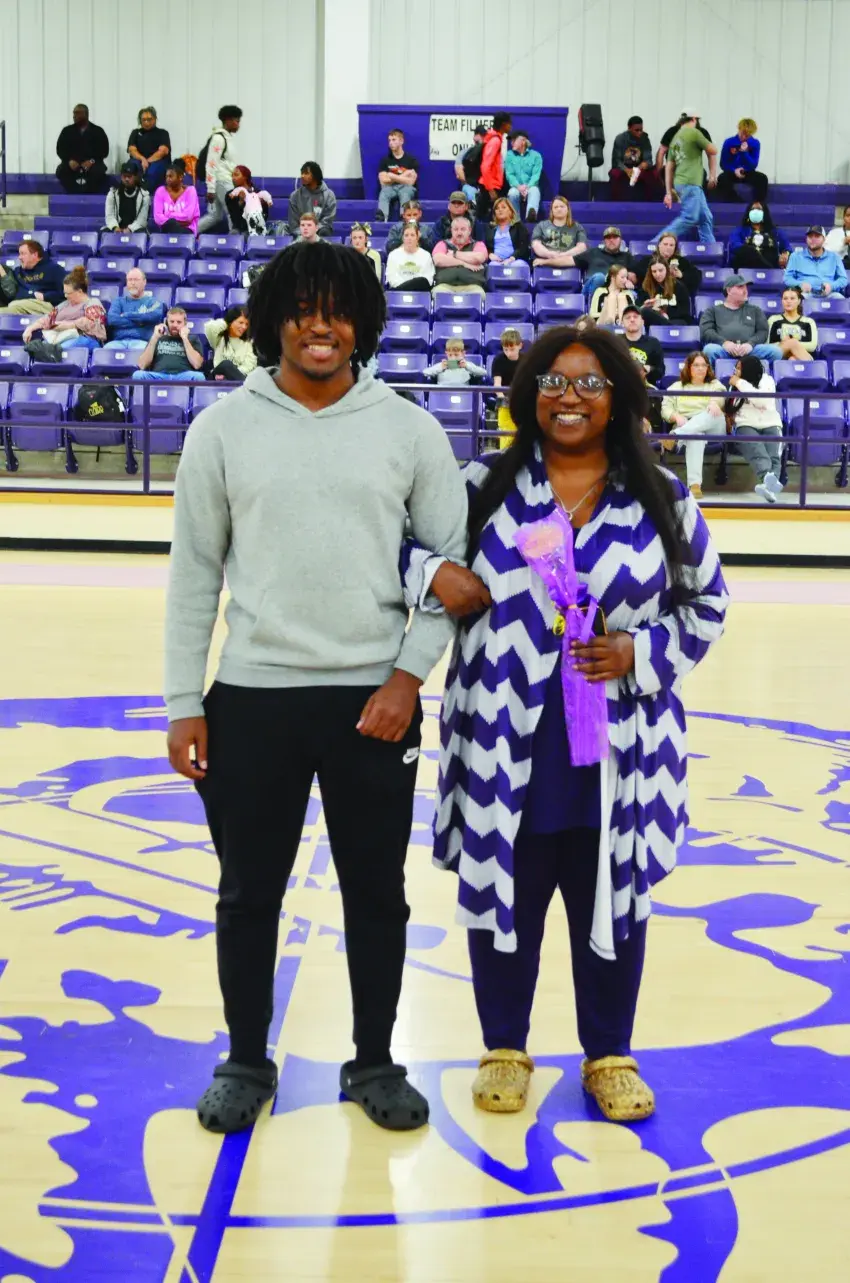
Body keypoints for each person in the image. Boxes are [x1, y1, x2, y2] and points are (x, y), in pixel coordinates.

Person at [163, 239, 468, 1135]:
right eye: (302, 310)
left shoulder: (410, 430)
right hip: (251, 699)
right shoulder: (222, 429)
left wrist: (408, 676)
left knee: (376, 893)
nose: (319, 326)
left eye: (337, 311)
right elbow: (194, 574)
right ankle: (245, 1057)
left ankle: (373, 1059)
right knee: (246, 893)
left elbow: (453, 567)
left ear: (362, 323)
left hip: (373, 701)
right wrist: (184, 700)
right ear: (273, 322)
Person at [402, 325, 727, 1120]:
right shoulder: (481, 485)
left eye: (588, 383)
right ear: (529, 395)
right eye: (551, 381)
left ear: (617, 397)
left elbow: (707, 604)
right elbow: (402, 550)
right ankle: (503, 1046)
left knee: (611, 897)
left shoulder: (661, 496)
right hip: (503, 735)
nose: (568, 396)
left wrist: (638, 650)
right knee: (502, 893)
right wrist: (437, 573)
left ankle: (608, 1052)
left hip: (621, 747)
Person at [660, 351, 727, 499]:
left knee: (713, 414)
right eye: (696, 365)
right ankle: (695, 485)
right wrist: (676, 416)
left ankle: (675, 436)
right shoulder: (676, 387)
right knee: (696, 435)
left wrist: (715, 403)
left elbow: (721, 397)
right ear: (688, 367)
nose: (701, 368)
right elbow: (665, 409)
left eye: (704, 365)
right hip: (688, 426)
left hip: (712, 426)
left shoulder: (714, 385)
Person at [728, 354, 785, 503]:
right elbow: (730, 405)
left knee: (774, 456)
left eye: (739, 368)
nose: (735, 371)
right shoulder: (735, 384)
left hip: (771, 422)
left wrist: (739, 382)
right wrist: (737, 383)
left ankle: (768, 488)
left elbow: (761, 400)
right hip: (746, 423)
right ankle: (768, 481)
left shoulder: (767, 380)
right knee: (758, 451)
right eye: (736, 368)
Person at [659, 113, 718, 245]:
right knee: (689, 217)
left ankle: (710, 248)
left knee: (705, 217)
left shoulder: (675, 138)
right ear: (694, 119)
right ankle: (656, 243)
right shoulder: (694, 133)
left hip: (682, 183)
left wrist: (668, 192)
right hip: (691, 182)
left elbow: (668, 167)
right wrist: (712, 176)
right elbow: (713, 151)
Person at [699, 275, 782, 365]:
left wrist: (750, 344)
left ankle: (759, 372)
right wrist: (724, 343)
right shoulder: (712, 311)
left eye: (746, 287)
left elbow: (763, 332)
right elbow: (706, 331)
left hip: (750, 351)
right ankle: (714, 374)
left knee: (776, 352)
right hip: (723, 350)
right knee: (709, 350)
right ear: (729, 290)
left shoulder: (755, 310)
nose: (745, 291)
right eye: (740, 287)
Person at [23, 266, 106, 351]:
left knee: (60, 349)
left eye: (68, 293)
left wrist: (71, 325)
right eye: (65, 293)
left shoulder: (92, 303)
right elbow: (47, 319)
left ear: (80, 291)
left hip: (85, 338)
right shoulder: (64, 305)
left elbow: (95, 323)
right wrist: (30, 328)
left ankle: (51, 351)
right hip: (61, 337)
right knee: (42, 347)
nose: (66, 296)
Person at [197, 105, 243, 234]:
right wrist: (211, 188)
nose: (238, 124)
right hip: (222, 181)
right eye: (236, 121)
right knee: (233, 212)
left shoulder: (226, 138)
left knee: (214, 216)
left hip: (221, 182)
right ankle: (234, 242)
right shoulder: (218, 138)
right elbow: (211, 163)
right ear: (227, 120)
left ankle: (188, 234)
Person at [132, 307, 206, 382]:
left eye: (179, 322)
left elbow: (197, 365)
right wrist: (154, 337)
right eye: (172, 321)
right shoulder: (158, 338)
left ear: (185, 324)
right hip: (159, 376)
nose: (175, 325)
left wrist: (185, 339)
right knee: (138, 375)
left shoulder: (192, 338)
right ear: (166, 323)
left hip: (183, 376)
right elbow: (142, 365)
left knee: (199, 377)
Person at [573, 227, 637, 308]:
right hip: (592, 288)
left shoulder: (627, 256)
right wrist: (557, 257)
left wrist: (626, 279)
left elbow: (633, 278)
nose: (611, 240)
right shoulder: (594, 252)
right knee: (599, 277)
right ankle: (593, 309)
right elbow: (570, 260)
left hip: (617, 289)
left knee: (632, 294)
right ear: (604, 241)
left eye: (615, 237)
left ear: (620, 240)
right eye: (608, 237)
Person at [105, 268, 166, 349]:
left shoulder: (154, 302)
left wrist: (126, 315)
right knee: (106, 350)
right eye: (130, 280)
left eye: (136, 280)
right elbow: (112, 319)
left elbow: (154, 316)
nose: (133, 283)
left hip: (143, 342)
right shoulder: (118, 301)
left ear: (144, 282)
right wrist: (141, 322)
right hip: (118, 342)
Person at [0, 239, 66, 315]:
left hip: (45, 305)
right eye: (19, 254)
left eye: (23, 254)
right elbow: (10, 291)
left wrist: (45, 296)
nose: (19, 257)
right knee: (11, 307)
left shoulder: (54, 269)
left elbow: (66, 293)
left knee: (14, 305)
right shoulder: (18, 271)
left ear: (34, 255)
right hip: (21, 304)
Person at [55, 104, 109, 194]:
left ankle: (90, 195)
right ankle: (72, 195)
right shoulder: (67, 131)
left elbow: (104, 150)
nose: (74, 116)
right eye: (74, 113)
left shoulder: (98, 131)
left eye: (77, 113)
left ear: (86, 114)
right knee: (62, 171)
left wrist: (92, 161)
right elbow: (60, 149)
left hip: (93, 163)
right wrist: (69, 160)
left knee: (98, 172)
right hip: (72, 163)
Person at [634, 232, 701, 302]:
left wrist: (681, 275)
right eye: (665, 244)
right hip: (651, 297)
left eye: (671, 245)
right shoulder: (648, 261)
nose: (668, 247)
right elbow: (638, 278)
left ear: (675, 248)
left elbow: (696, 277)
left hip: (676, 298)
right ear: (659, 245)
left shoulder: (682, 262)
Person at [784, 226, 847, 297]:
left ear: (824, 239)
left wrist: (831, 286)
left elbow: (843, 279)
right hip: (805, 293)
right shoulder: (795, 256)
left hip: (829, 293)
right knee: (800, 298)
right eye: (810, 236)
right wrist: (799, 284)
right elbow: (787, 278)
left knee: (838, 297)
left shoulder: (834, 257)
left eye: (817, 236)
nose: (813, 239)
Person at [727, 200, 791, 270]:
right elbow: (734, 245)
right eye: (753, 209)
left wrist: (786, 254)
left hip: (771, 262)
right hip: (746, 266)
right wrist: (752, 251)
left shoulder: (776, 232)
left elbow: (787, 247)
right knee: (750, 251)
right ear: (748, 213)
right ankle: (769, 269)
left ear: (764, 213)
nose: (755, 212)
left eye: (759, 209)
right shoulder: (739, 231)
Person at [432, 218, 489, 296]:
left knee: (478, 294)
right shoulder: (442, 244)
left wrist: (454, 254)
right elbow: (438, 260)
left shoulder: (478, 244)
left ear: (469, 231)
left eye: (463, 229)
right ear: (451, 231)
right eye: (456, 229)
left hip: (473, 286)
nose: (459, 233)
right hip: (444, 286)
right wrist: (464, 263)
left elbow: (478, 258)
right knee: (438, 293)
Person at [716, 119, 768, 203]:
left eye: (747, 135)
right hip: (732, 172)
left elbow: (753, 164)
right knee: (722, 178)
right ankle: (736, 202)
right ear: (739, 129)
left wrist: (745, 153)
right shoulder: (729, 142)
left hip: (747, 172)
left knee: (762, 178)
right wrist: (734, 170)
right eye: (742, 133)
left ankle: (758, 203)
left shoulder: (755, 143)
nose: (744, 137)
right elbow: (723, 163)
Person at [609, 116, 658, 201]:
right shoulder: (620, 139)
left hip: (639, 169)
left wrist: (642, 166)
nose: (640, 132)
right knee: (614, 173)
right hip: (624, 168)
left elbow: (648, 160)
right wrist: (627, 170)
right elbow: (616, 161)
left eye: (641, 130)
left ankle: (650, 202)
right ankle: (616, 202)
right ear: (629, 128)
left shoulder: (645, 139)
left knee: (653, 173)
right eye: (636, 130)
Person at [530, 197, 588, 268]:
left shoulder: (577, 227)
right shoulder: (541, 226)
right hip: (546, 263)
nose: (559, 209)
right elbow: (536, 245)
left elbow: (582, 247)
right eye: (556, 207)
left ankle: (549, 262)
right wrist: (550, 254)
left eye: (562, 206)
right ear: (552, 210)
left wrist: (564, 255)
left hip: (569, 264)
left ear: (568, 209)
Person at [376, 129, 419, 222]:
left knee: (405, 193)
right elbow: (383, 181)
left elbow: (411, 182)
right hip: (390, 188)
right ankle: (382, 219)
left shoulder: (411, 160)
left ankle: (404, 219)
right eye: (389, 140)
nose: (391, 143)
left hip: (406, 188)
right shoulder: (385, 160)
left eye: (394, 140)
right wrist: (405, 174)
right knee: (384, 192)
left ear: (401, 141)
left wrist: (391, 176)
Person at [492, 326, 525, 447]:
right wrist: (504, 399)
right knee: (506, 434)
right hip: (504, 403)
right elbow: (497, 385)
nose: (509, 353)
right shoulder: (498, 360)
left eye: (512, 349)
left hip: (522, 401)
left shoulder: (526, 360)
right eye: (505, 349)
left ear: (520, 346)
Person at [205, 306, 257, 382]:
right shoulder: (219, 338)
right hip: (216, 378)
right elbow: (209, 327)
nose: (244, 327)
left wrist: (228, 375)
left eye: (246, 324)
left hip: (238, 379)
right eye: (241, 322)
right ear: (231, 321)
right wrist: (227, 323)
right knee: (226, 364)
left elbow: (249, 366)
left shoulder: (249, 342)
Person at [766, 286, 818, 361]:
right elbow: (767, 345)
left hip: (801, 356)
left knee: (792, 359)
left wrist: (792, 344)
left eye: (792, 298)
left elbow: (812, 346)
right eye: (785, 298)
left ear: (799, 301)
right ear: (782, 301)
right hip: (779, 357)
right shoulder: (773, 320)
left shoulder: (809, 322)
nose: (788, 301)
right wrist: (787, 344)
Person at [478, 112, 514, 219]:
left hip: (492, 185)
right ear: (504, 124)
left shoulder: (495, 139)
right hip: (490, 187)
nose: (511, 126)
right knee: (486, 220)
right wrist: (490, 189)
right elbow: (485, 166)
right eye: (509, 123)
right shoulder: (495, 141)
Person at [285, 162, 337, 236]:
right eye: (302, 173)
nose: (302, 176)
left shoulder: (329, 195)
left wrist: (313, 230)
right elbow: (293, 223)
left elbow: (327, 221)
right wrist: (305, 230)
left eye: (306, 173)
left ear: (315, 175)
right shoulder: (295, 196)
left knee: (325, 231)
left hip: (320, 232)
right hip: (300, 233)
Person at [636, 258, 692, 325]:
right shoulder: (646, 287)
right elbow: (639, 310)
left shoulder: (679, 286)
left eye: (660, 270)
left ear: (667, 270)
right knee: (645, 311)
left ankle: (666, 325)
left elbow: (684, 311)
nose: (657, 274)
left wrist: (664, 312)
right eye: (654, 271)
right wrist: (645, 306)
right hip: (654, 321)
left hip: (676, 321)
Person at [127, 106, 171, 191]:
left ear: (155, 119)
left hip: (158, 161)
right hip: (140, 160)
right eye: (144, 120)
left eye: (149, 119)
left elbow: (163, 151)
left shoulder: (163, 133)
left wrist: (147, 162)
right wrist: (142, 159)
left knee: (152, 171)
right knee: (131, 167)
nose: (146, 122)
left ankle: (148, 194)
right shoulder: (135, 133)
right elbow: (132, 150)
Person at [620, 305, 664, 386]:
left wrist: (649, 369)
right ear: (622, 323)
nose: (632, 320)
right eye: (628, 317)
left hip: (646, 388)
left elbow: (661, 371)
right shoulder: (615, 341)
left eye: (635, 317)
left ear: (642, 321)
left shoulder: (653, 343)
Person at [153, 163, 201, 235]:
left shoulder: (191, 191)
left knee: (172, 223)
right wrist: (174, 221)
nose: (168, 179)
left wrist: (169, 215)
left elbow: (188, 218)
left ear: (180, 177)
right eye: (166, 176)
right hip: (167, 229)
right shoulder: (160, 191)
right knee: (171, 224)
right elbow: (158, 218)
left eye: (171, 176)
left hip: (187, 231)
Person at [505, 131, 542, 221]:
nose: (511, 143)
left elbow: (536, 175)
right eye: (511, 141)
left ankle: (530, 217)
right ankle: (515, 220)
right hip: (516, 187)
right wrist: (518, 186)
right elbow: (509, 174)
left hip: (530, 186)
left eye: (514, 140)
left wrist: (527, 187)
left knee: (535, 191)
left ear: (523, 141)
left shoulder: (536, 156)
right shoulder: (509, 155)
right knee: (512, 193)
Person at [103, 162, 151, 233]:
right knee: (103, 232)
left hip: (135, 229)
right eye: (124, 176)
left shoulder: (145, 196)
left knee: (142, 232)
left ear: (136, 177)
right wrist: (115, 227)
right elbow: (109, 216)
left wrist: (130, 229)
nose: (127, 179)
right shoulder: (112, 193)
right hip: (117, 228)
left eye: (129, 176)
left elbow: (142, 220)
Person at [385, 224, 435, 291]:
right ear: (403, 238)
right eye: (406, 235)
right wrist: (407, 287)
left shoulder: (426, 255)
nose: (409, 238)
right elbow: (391, 278)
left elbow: (428, 279)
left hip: (419, 292)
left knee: (422, 281)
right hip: (398, 291)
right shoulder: (393, 255)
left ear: (417, 238)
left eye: (412, 235)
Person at [225, 166, 273, 236]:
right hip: (239, 229)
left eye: (236, 175)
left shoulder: (258, 193)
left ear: (245, 177)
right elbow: (235, 219)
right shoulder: (230, 195)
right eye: (232, 175)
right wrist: (241, 202)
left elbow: (265, 215)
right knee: (235, 234)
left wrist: (262, 204)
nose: (233, 178)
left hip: (256, 227)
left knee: (253, 234)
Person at [485, 197, 531, 264]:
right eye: (497, 208)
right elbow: (485, 247)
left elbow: (524, 246)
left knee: (517, 265)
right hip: (496, 261)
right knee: (493, 265)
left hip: (515, 260)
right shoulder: (490, 228)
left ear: (510, 211)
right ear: (495, 213)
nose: (500, 210)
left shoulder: (518, 226)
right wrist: (490, 254)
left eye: (503, 207)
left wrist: (512, 258)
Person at [455, 125, 487, 206]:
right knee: (470, 192)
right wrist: (468, 182)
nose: (482, 138)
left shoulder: (491, 153)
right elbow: (459, 171)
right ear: (474, 137)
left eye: (484, 136)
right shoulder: (465, 153)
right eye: (480, 135)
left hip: (487, 186)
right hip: (470, 185)